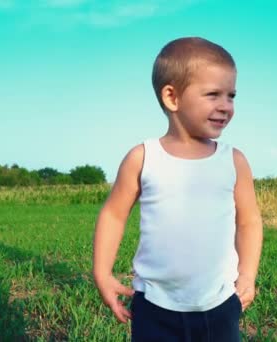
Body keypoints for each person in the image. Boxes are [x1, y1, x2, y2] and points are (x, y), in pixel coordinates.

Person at [92, 36, 263, 341]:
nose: (226, 106)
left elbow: (248, 221)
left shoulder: (233, 161)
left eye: (231, 95)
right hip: (154, 305)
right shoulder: (142, 158)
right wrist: (102, 273)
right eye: (213, 94)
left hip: (220, 303)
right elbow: (114, 215)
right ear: (172, 97)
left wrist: (247, 274)